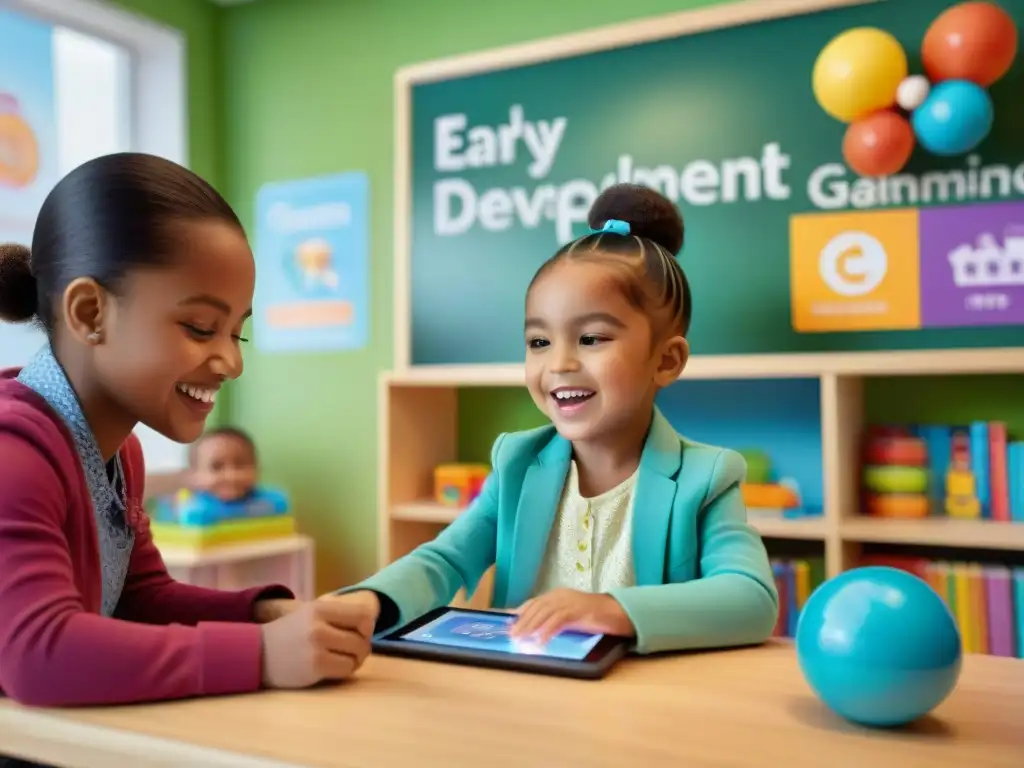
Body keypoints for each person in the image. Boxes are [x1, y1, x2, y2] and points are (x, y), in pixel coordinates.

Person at [329, 183, 778, 654]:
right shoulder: (517, 463)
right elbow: (445, 560)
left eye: (591, 339)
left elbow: (752, 599)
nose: (558, 364)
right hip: (525, 692)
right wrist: (371, 601)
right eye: (539, 342)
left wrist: (612, 609)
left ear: (665, 361)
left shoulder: (707, 478)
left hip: (644, 707)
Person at [0, 153, 374, 712]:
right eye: (201, 327)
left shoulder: (119, 452)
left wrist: (265, 615)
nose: (230, 361)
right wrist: (263, 654)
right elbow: (39, 653)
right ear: (89, 312)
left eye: (236, 334)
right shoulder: (14, 453)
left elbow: (138, 597)